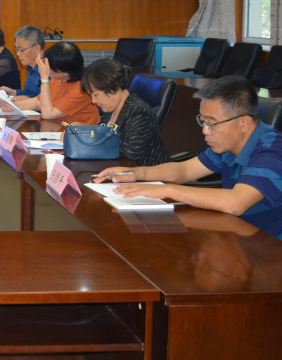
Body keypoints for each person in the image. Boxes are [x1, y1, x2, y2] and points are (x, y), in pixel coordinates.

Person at [97, 77, 282, 240]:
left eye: (212, 123)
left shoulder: (273, 150)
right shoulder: (229, 143)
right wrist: (137, 173)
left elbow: (236, 203)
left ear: (244, 123)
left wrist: (167, 190)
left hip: (269, 248)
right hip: (238, 233)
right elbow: (184, 170)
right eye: (203, 121)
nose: (205, 131)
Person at [81, 58, 169, 166]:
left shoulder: (139, 113)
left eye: (96, 95)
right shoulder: (110, 109)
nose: (93, 101)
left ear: (114, 87)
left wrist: (93, 136)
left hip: (145, 173)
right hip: (117, 169)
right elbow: (101, 135)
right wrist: (81, 131)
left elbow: (129, 154)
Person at [13, 41, 99, 124]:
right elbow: (38, 102)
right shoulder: (58, 78)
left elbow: (48, 114)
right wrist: (12, 106)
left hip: (77, 133)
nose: (46, 68)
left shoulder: (81, 89)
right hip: (55, 128)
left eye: (50, 67)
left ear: (64, 73)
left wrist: (44, 79)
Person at [0, 25, 44, 99]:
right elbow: (30, 93)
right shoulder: (31, 67)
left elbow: (51, 101)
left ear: (36, 48)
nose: (17, 54)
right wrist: (14, 92)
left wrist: (28, 100)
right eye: (17, 49)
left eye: (21, 50)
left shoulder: (50, 71)